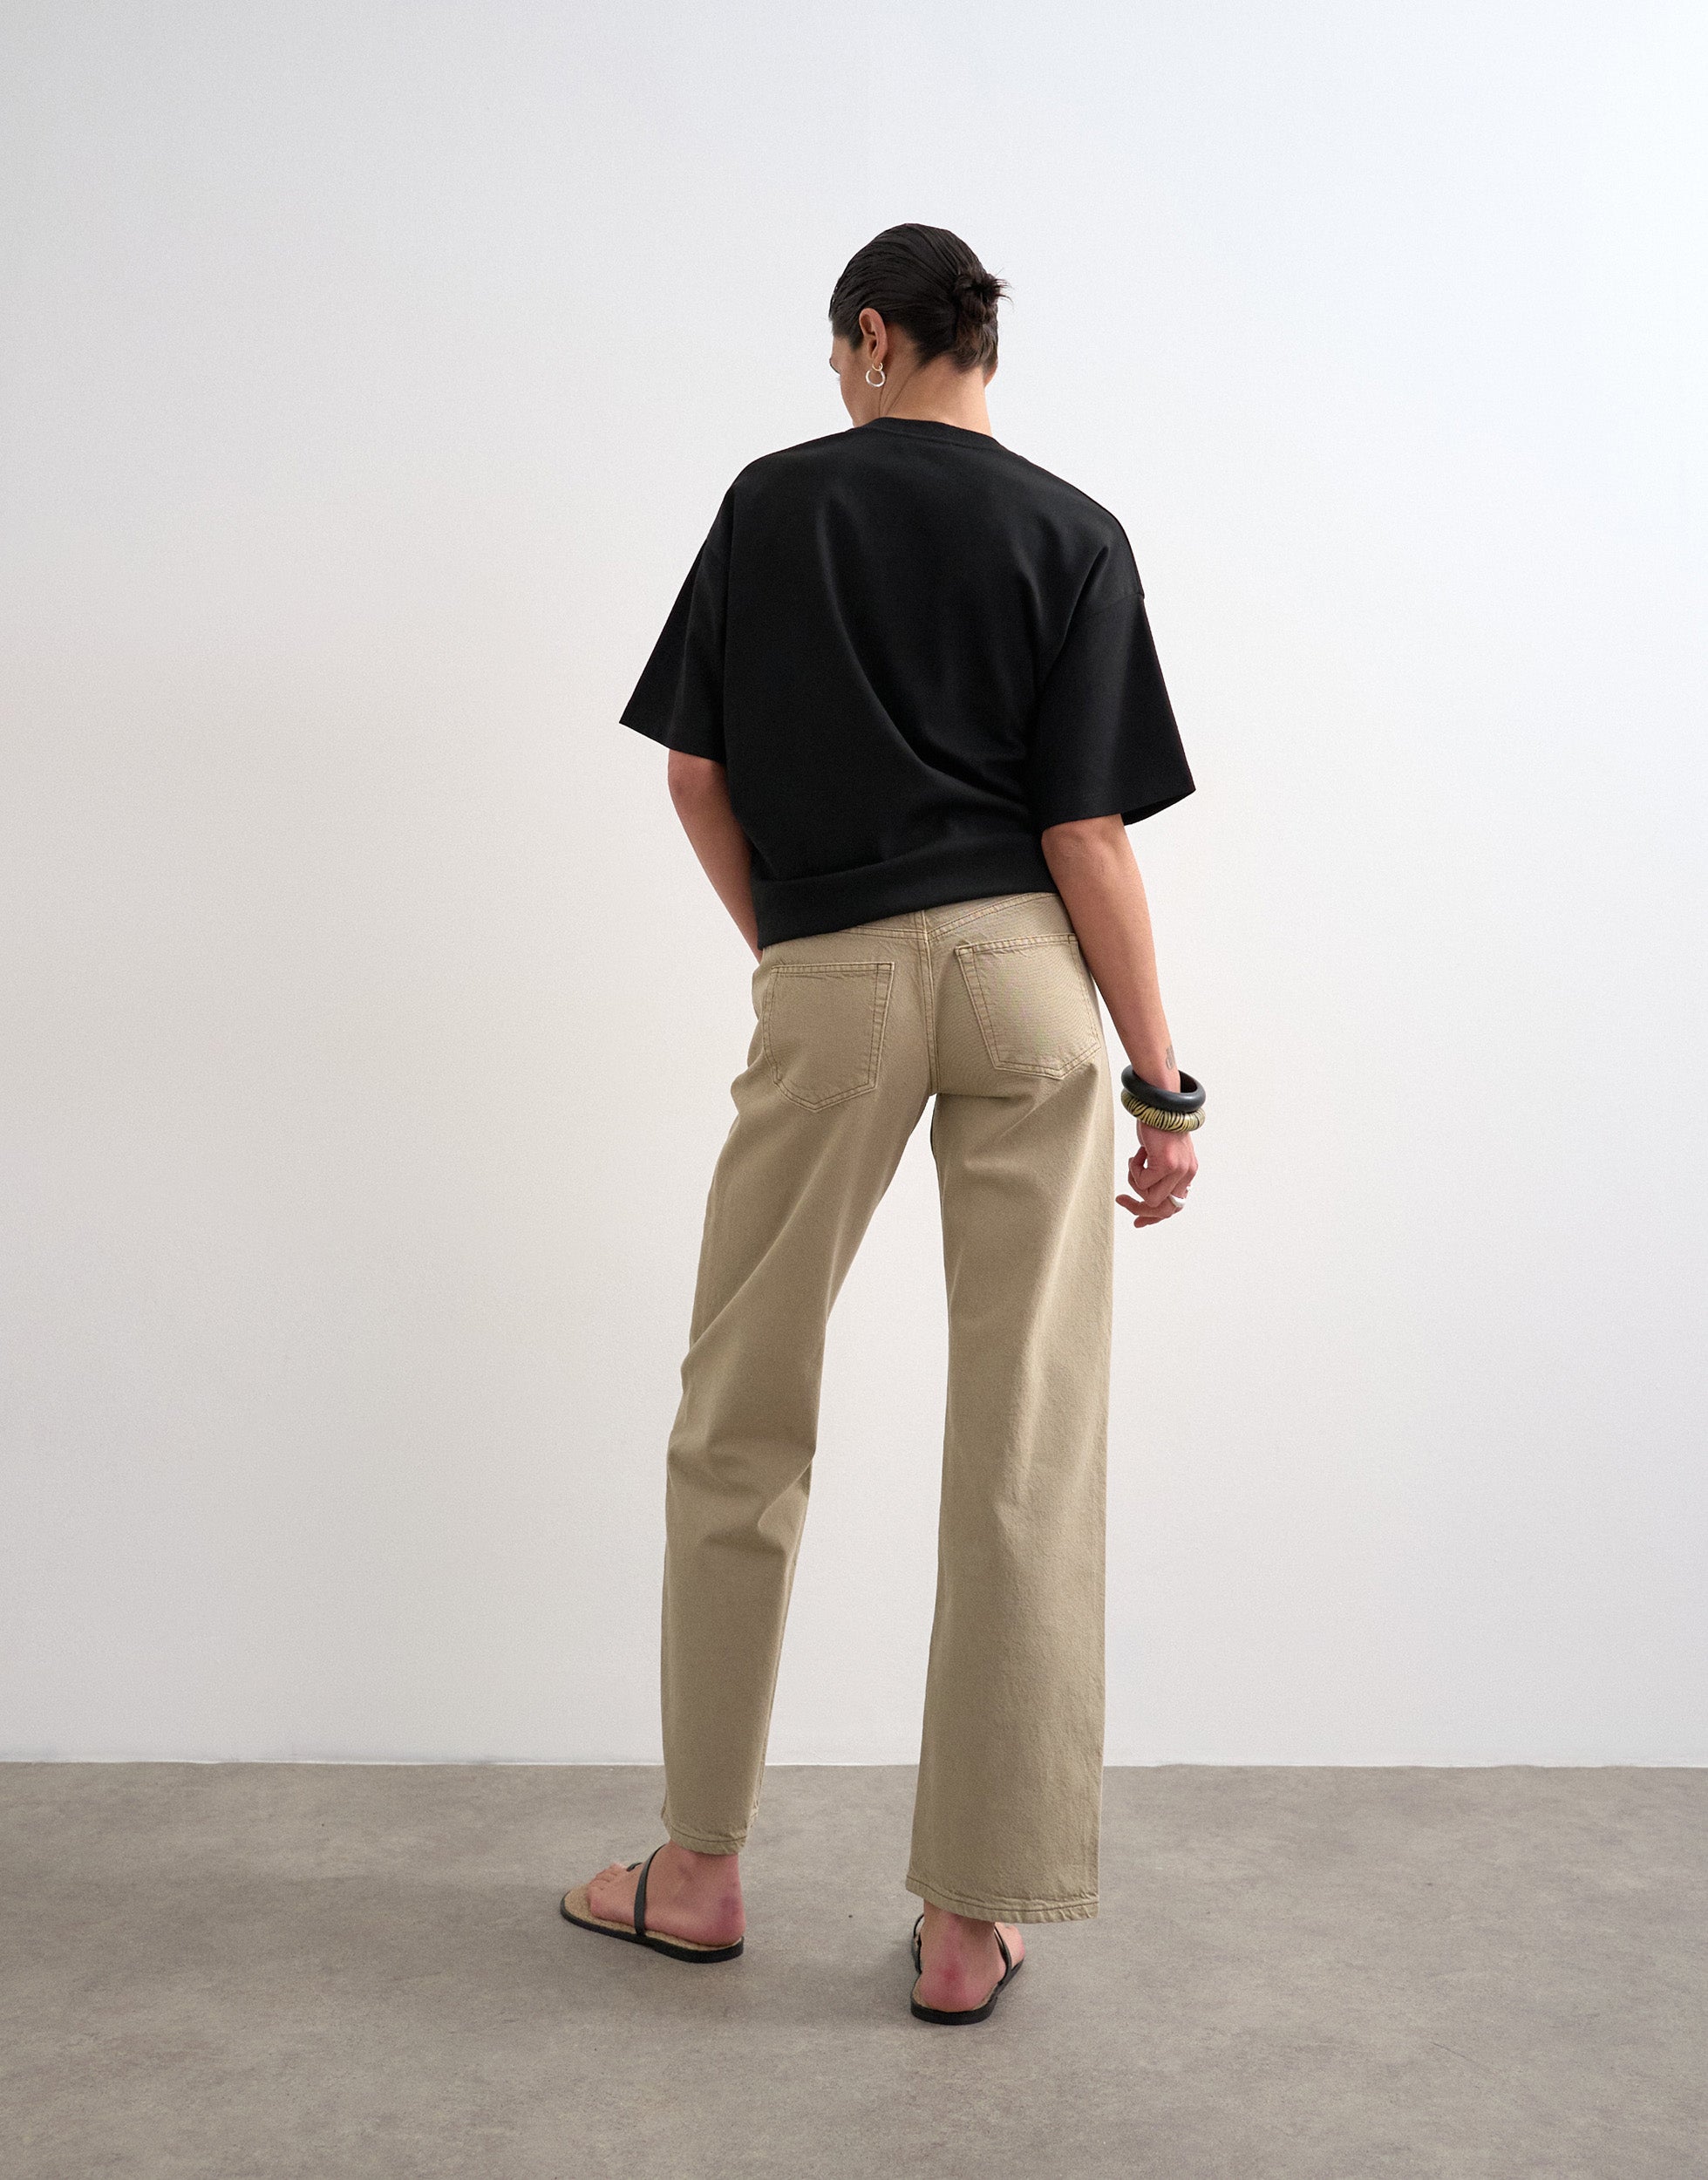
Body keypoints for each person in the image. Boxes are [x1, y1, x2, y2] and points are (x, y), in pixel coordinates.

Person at [560, 222, 1203, 2026]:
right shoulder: (1074, 532)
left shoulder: (774, 503)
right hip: (1024, 984)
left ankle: (697, 1871)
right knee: (1024, 1444)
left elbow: (695, 771)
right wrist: (1161, 1082)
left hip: (834, 969)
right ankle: (966, 1921)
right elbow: (1085, 834)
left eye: (837, 356)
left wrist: (799, 952)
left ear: (869, 336)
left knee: (739, 1411)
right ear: (977, 347)